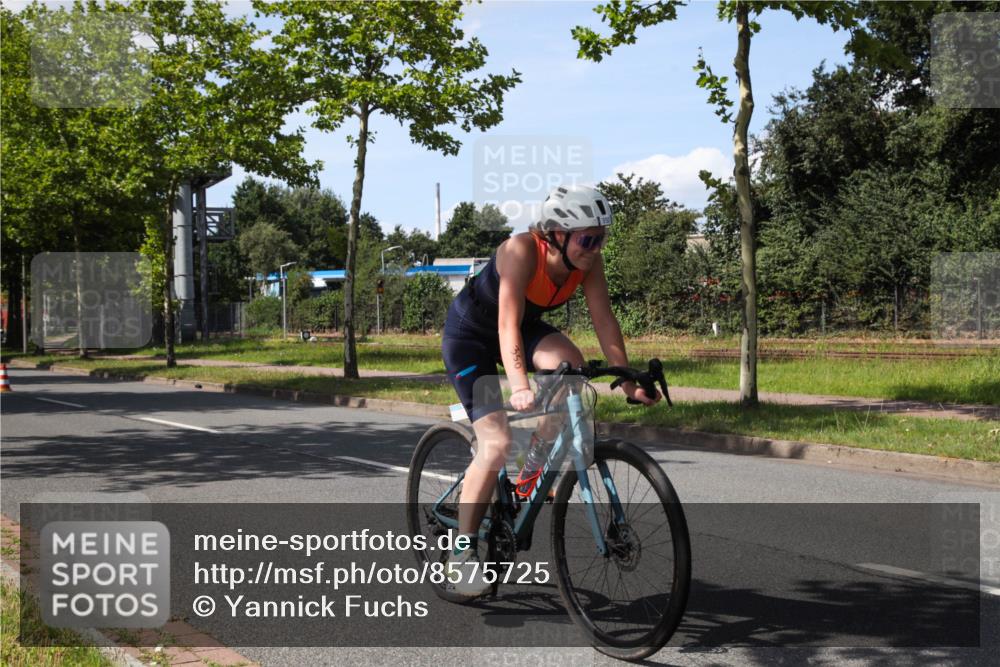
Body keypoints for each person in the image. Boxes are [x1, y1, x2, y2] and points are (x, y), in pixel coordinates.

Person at [440, 183, 661, 598]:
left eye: (601, 238)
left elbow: (604, 318)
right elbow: (506, 325)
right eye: (588, 239)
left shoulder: (587, 264)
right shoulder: (521, 250)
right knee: (497, 439)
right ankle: (462, 554)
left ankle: (530, 474)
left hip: (523, 329)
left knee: (572, 373)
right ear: (556, 234)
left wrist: (628, 380)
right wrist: (520, 386)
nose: (595, 248)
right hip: (471, 335)